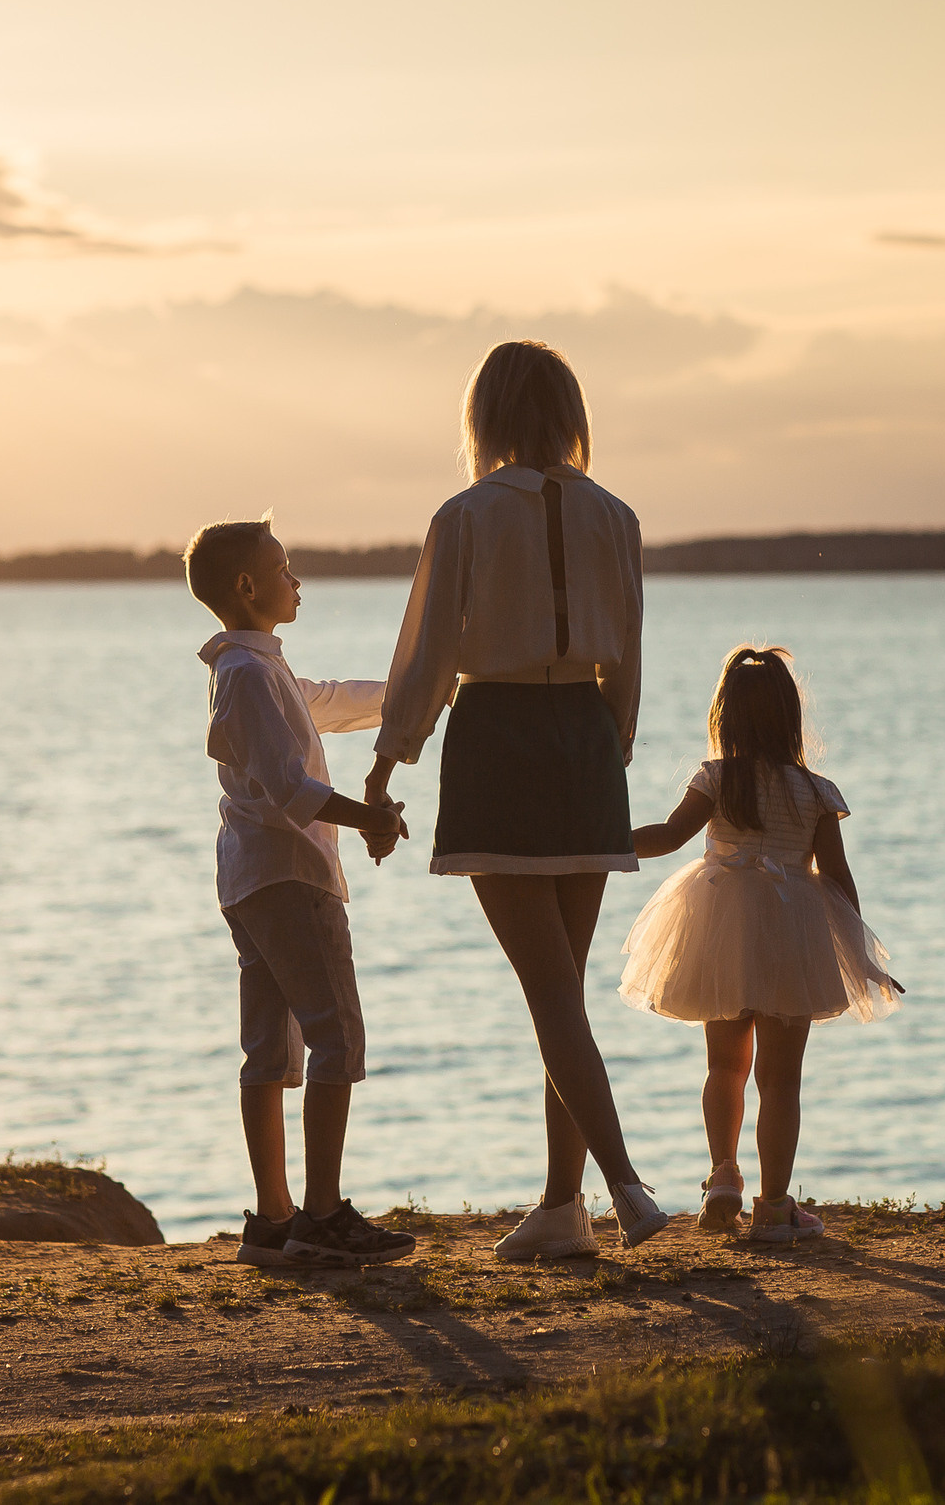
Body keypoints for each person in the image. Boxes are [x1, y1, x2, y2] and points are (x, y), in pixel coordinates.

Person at [363, 340, 673, 1259]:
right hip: (583, 741)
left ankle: (624, 1187)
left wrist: (387, 765)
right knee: (563, 992)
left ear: (485, 416)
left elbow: (425, 658)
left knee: (551, 996)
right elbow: (630, 656)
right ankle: (559, 1204)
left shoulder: (463, 515)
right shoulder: (615, 514)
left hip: (499, 740)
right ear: (570, 411)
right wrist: (612, 739)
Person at [189, 515, 417, 1268]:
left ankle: (273, 1220)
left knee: (268, 1049)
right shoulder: (250, 675)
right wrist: (372, 816)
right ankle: (319, 1215)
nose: (298, 582)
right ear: (248, 587)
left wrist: (417, 692)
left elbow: (332, 700)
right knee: (335, 1039)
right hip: (289, 878)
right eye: (285, 569)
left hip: (252, 879)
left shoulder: (254, 669)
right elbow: (292, 789)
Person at [618, 646, 903, 1244]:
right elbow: (838, 878)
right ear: (791, 716)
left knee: (724, 1064)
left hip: (721, 922)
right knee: (781, 1080)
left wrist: (601, 837)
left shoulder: (718, 779)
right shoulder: (817, 792)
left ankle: (723, 1176)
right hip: (791, 927)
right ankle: (774, 1208)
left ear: (725, 717)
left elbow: (668, 838)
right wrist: (861, 952)